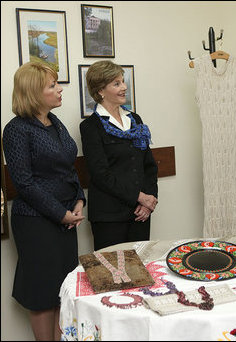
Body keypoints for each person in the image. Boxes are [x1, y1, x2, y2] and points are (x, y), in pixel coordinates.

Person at [2, 62, 86, 341]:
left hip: (66, 220)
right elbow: (23, 183)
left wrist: (78, 200)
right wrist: (59, 214)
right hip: (37, 222)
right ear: (33, 93)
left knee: (63, 289)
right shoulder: (16, 130)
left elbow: (68, 168)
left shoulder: (55, 122)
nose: (59, 89)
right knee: (42, 292)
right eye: (52, 85)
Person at [80, 60, 158, 251]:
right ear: (100, 90)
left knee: (142, 272)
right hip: (109, 217)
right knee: (112, 276)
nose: (124, 87)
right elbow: (101, 174)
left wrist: (149, 200)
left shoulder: (135, 119)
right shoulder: (91, 127)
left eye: (123, 82)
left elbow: (149, 165)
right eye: (116, 83)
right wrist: (139, 197)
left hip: (140, 213)